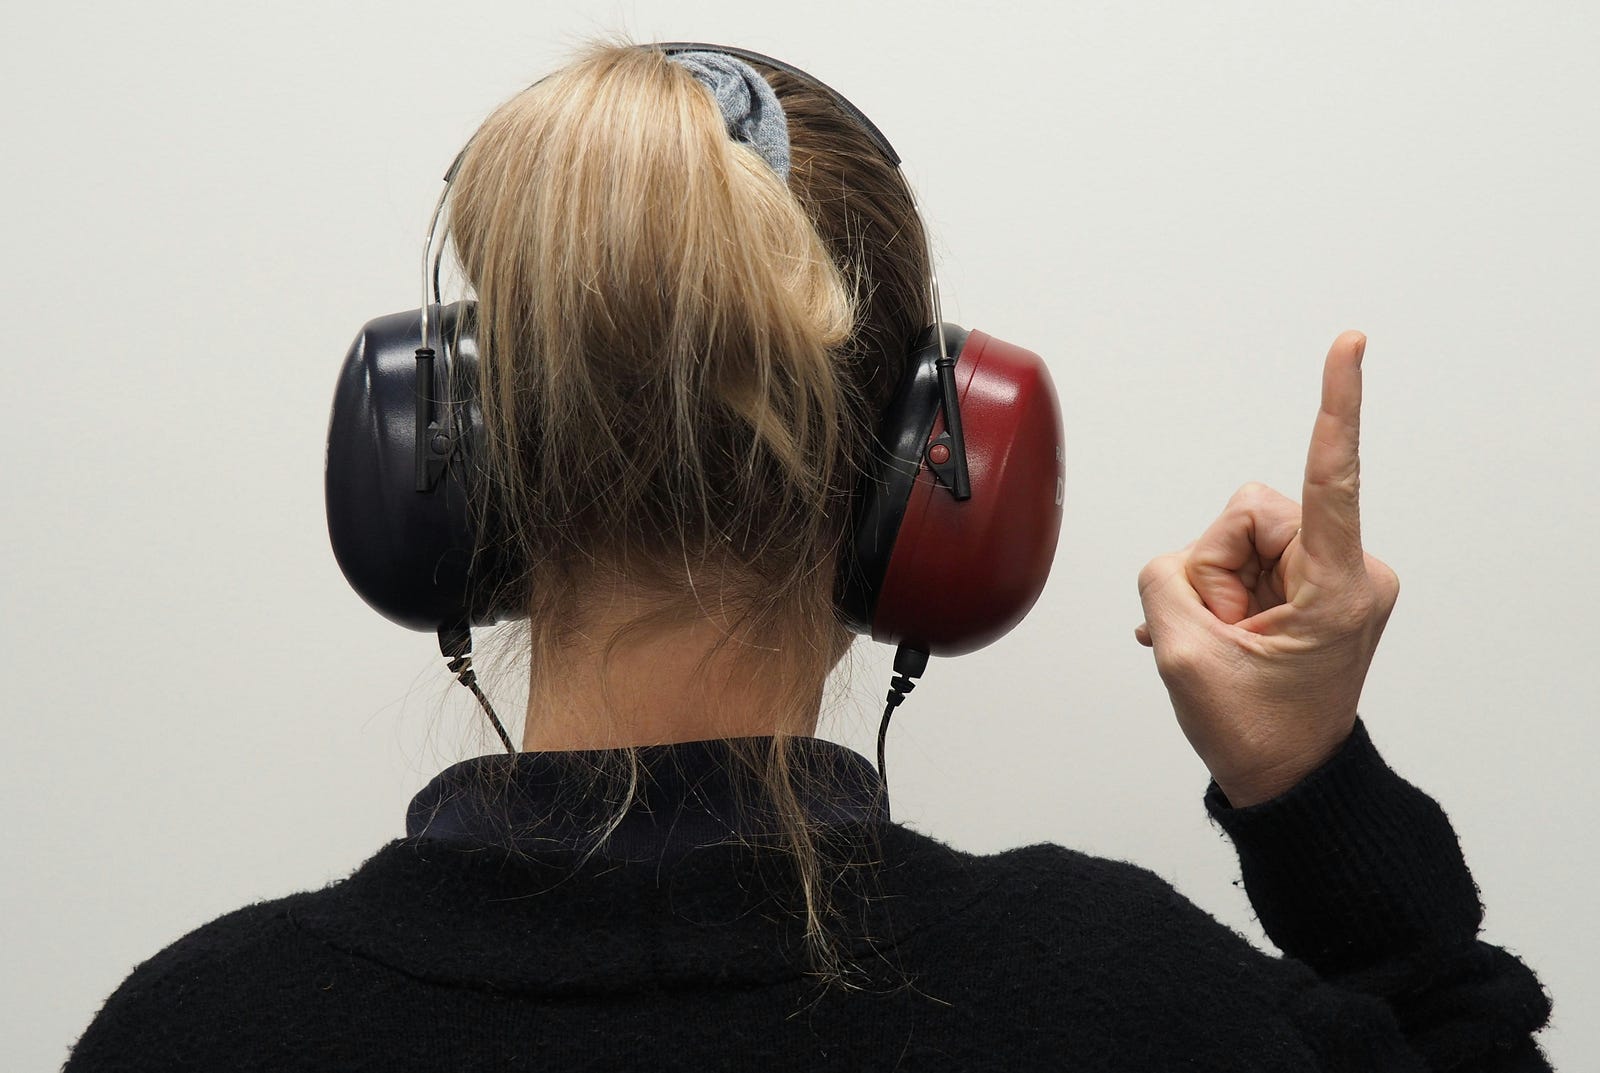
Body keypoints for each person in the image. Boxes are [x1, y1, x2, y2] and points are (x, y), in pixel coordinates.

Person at [64, 40, 1552, 1071]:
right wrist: (1315, 795)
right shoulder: (1151, 1014)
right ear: (937, 480)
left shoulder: (187, 1040)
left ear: (444, 466)